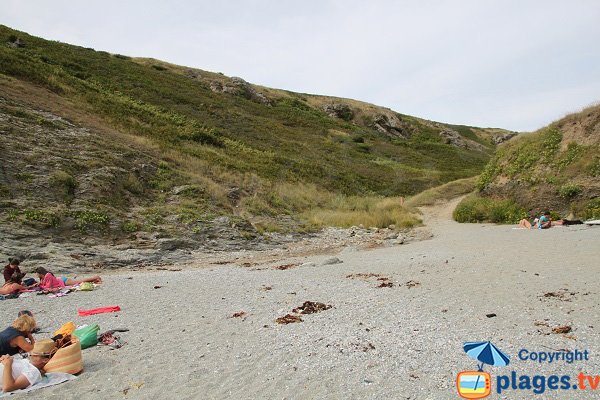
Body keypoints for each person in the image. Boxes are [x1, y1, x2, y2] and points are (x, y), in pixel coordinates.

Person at [34, 267, 101, 289]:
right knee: (80, 282)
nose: (36, 275)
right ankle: (95, 280)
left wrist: (40, 285)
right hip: (61, 280)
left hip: (63, 281)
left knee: (79, 281)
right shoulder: (44, 277)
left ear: (40, 273)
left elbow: (48, 286)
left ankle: (95, 277)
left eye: (37, 274)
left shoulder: (47, 276)